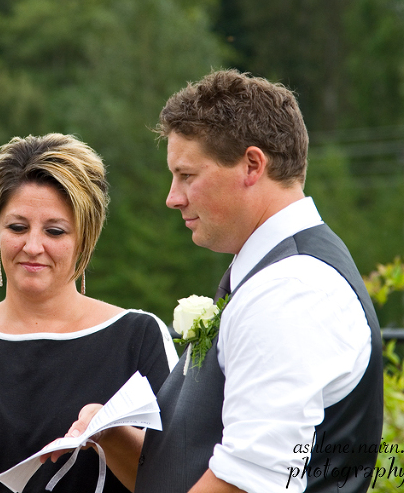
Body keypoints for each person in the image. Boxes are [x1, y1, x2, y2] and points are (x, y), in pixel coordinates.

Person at [54, 70, 383, 492]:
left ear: (251, 165)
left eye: (187, 175)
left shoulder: (291, 291)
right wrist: (114, 437)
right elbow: (201, 464)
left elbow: (250, 481)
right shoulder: (274, 277)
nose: (172, 197)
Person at [0, 133, 178, 493]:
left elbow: (177, 480)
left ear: (85, 238)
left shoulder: (138, 337)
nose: (33, 246)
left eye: (54, 231)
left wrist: (110, 433)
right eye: (17, 227)